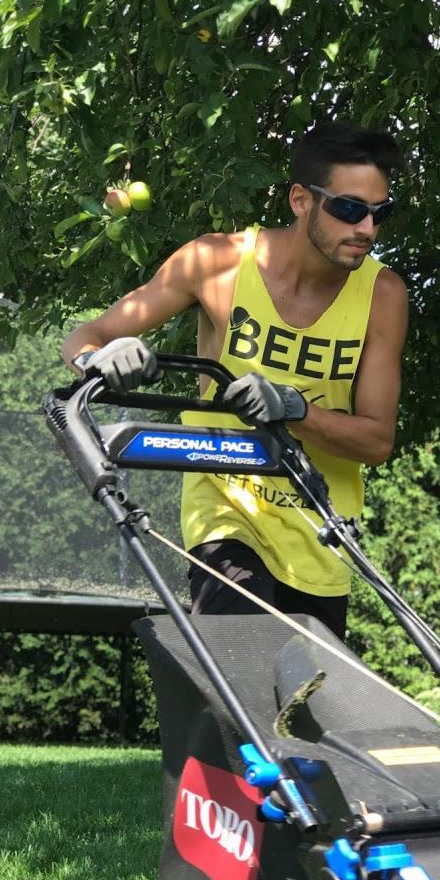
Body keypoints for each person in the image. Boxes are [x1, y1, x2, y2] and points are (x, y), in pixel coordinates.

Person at [62, 120, 408, 640]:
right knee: (241, 654)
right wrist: (100, 358)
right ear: (301, 200)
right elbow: (87, 336)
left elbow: (377, 441)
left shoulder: (383, 296)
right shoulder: (216, 263)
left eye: (380, 213)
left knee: (308, 685)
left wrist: (295, 409)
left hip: (320, 528)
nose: (366, 228)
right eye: (349, 208)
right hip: (226, 511)